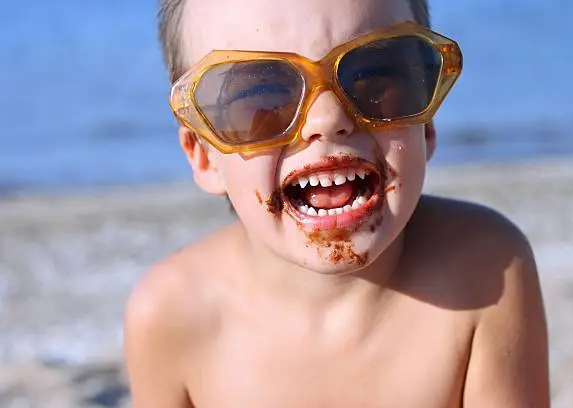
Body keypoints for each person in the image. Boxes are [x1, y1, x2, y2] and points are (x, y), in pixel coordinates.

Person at [124, 0, 550, 406]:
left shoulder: (485, 271)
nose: (327, 119)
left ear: (427, 120)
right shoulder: (172, 316)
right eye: (263, 98)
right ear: (204, 156)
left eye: (375, 78)